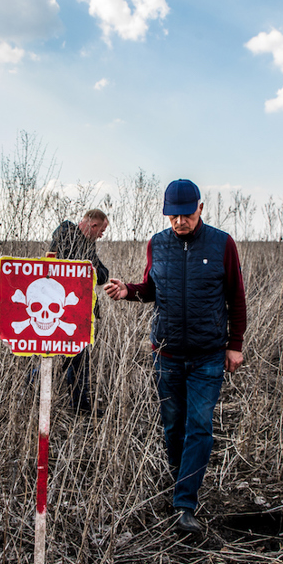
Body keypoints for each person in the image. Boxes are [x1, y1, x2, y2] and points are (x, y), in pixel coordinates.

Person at [104, 179, 246, 534]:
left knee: (199, 426)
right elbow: (153, 289)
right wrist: (128, 291)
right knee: (173, 427)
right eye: (173, 216)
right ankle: (179, 479)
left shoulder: (222, 243)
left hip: (208, 355)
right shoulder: (158, 243)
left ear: (200, 208)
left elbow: (236, 297)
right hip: (166, 353)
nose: (179, 222)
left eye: (186, 214)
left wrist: (235, 344)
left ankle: (185, 504)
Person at [50, 209, 110, 415]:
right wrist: (88, 268)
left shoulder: (87, 245)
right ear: (93, 226)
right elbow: (64, 270)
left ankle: (78, 403)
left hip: (80, 309)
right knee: (68, 356)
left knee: (74, 357)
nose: (101, 235)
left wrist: (89, 268)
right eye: (101, 231)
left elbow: (102, 275)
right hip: (63, 310)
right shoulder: (66, 238)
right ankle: (78, 405)